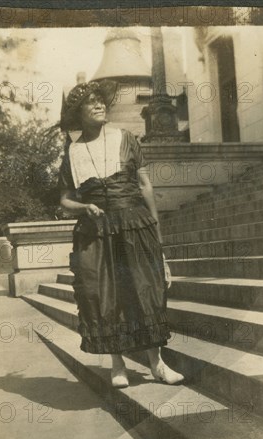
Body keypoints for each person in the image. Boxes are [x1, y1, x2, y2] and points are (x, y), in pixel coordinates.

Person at [58, 80, 184, 387]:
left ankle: (157, 364)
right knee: (101, 295)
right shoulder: (72, 153)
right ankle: (117, 365)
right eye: (91, 102)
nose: (100, 105)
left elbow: (145, 186)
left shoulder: (126, 139)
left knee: (144, 290)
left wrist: (156, 234)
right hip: (96, 232)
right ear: (79, 112)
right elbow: (63, 201)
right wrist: (83, 207)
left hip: (134, 225)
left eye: (101, 100)